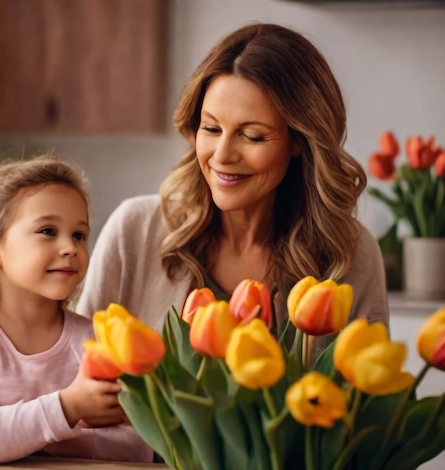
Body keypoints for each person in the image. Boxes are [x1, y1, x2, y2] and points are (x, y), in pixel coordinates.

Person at [75, 23, 389, 357]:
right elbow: (74, 377)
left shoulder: (349, 255)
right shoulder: (133, 232)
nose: (222, 155)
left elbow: (368, 400)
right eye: (211, 128)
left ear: (299, 141)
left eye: (252, 136)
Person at [0, 156, 153, 464]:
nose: (70, 247)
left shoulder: (94, 338)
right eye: (47, 231)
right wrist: (69, 408)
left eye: (79, 235)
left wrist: (22, 442)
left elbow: (139, 447)